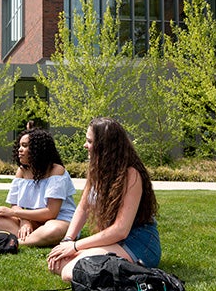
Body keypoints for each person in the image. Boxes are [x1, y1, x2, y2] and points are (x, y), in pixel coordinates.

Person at [47, 117, 160, 282]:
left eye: (89, 141)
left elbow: (121, 230)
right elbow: (83, 208)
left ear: (105, 146)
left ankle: (134, 275)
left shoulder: (131, 175)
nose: (85, 145)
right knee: (59, 263)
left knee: (69, 272)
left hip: (137, 244)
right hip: (114, 240)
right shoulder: (97, 170)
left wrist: (76, 247)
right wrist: (67, 240)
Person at [0, 127, 76, 247]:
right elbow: (15, 204)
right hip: (33, 220)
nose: (20, 150)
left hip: (58, 221)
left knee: (54, 230)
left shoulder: (56, 171)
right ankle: (32, 239)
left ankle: (18, 242)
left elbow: (51, 213)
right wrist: (24, 221)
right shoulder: (21, 171)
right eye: (20, 145)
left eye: (25, 146)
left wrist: (13, 213)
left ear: (38, 149)